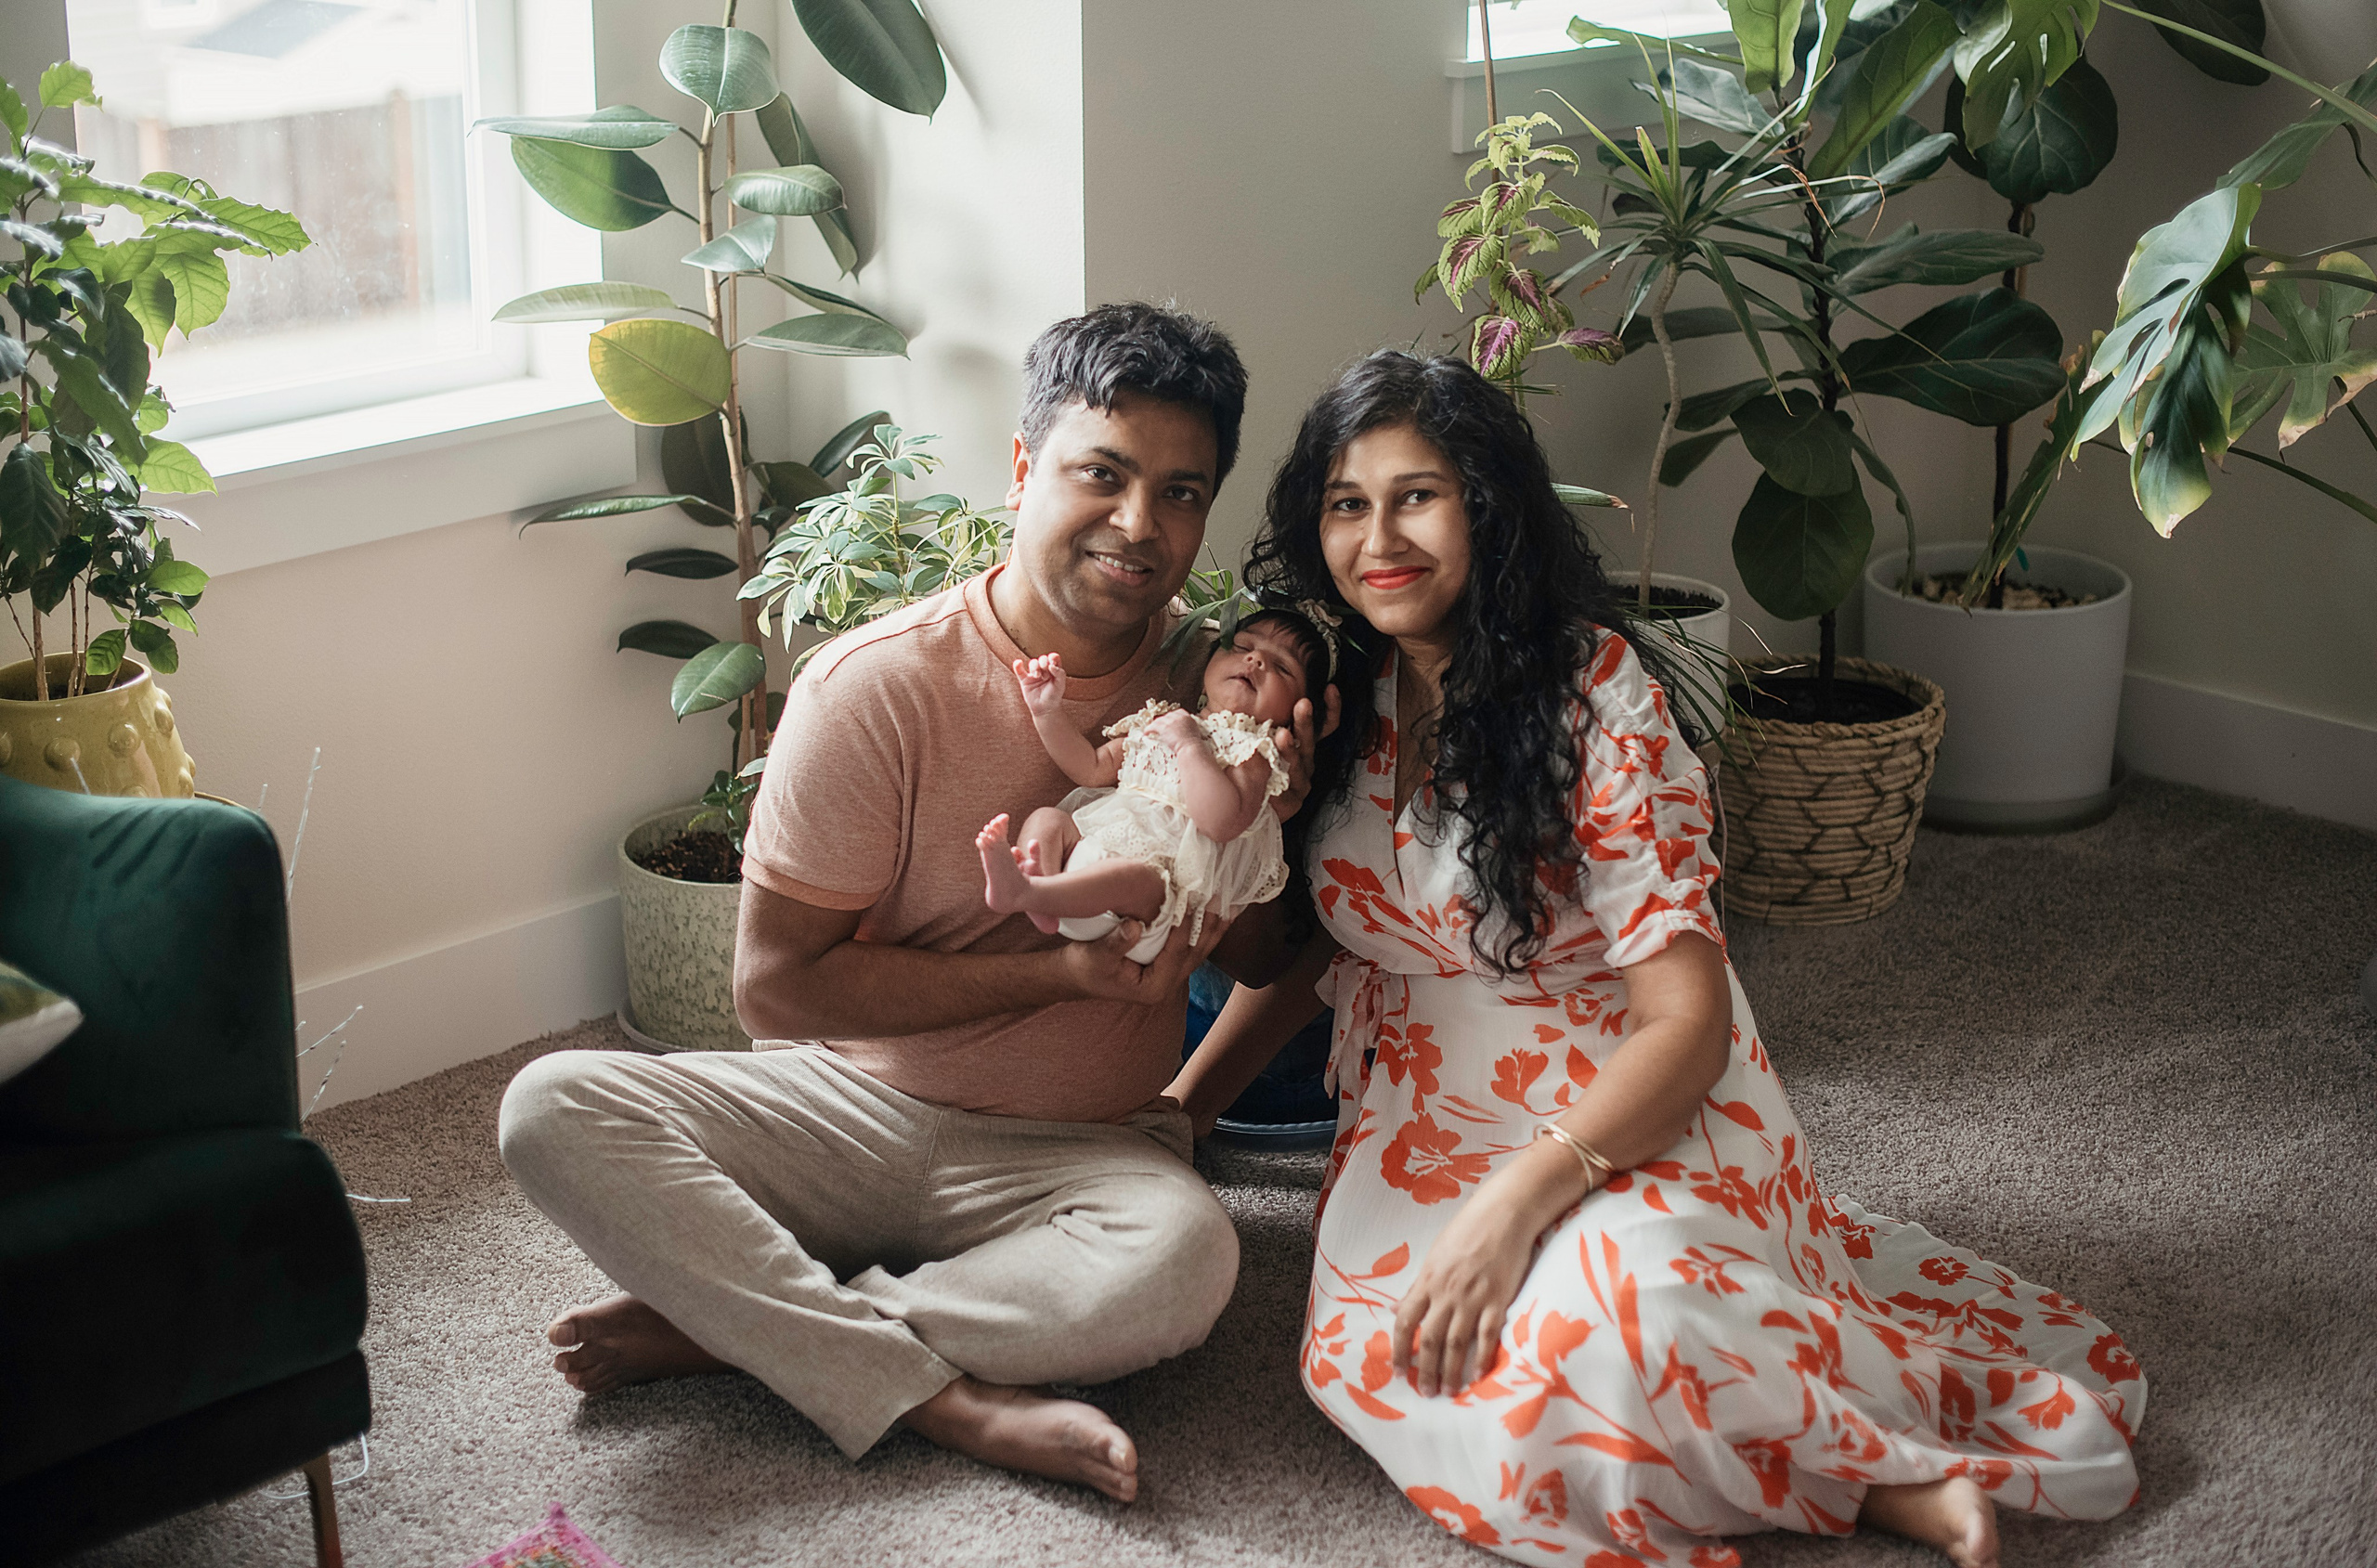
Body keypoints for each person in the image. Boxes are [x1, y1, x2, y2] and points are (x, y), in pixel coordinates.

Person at [1168, 352, 2144, 1568]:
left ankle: (1883, 1468)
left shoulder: (1594, 689)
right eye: (1347, 504)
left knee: (1637, 1312)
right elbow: (1309, 946)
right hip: (1421, 1133)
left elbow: (1688, 1021)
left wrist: (1518, 1205)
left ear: (1487, 502)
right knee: (1439, 1388)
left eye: (1417, 495)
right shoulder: (1338, 691)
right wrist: (1183, 1107)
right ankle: (1855, 1481)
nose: (1381, 537)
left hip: (1630, 1099)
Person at [498, 304, 1335, 1504]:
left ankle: (747, 1328)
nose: (1141, 525)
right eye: (1102, 473)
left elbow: (1262, 952)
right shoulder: (874, 688)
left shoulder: (1224, 683)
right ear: (1021, 467)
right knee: (552, 1104)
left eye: (1183, 491)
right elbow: (775, 991)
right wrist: (1052, 976)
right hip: (854, 1115)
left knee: (1191, 1262)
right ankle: (946, 1397)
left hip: (1085, 1150)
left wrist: (1272, 820)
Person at [978, 607, 1335, 962]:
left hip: (1152, 907)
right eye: (1242, 647)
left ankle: (1031, 892)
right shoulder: (1165, 720)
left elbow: (1221, 822)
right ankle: (1039, 888)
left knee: (1136, 877)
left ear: (1298, 710)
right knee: (1047, 820)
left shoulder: (1253, 753)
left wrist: (1189, 746)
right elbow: (1090, 767)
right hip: (1083, 869)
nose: (1256, 660)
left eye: (1283, 667)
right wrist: (1047, 713)